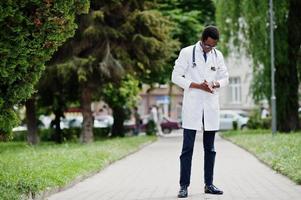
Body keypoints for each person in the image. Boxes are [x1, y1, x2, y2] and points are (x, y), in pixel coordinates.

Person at [171, 26, 229, 198]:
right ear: (202, 40)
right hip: (193, 105)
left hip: (210, 106)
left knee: (210, 148)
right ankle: (184, 186)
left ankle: (209, 184)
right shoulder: (187, 53)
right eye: (207, 45)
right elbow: (175, 77)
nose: (210, 49)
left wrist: (215, 84)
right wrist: (197, 85)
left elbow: (225, 77)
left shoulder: (217, 55)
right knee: (187, 148)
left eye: (213, 46)